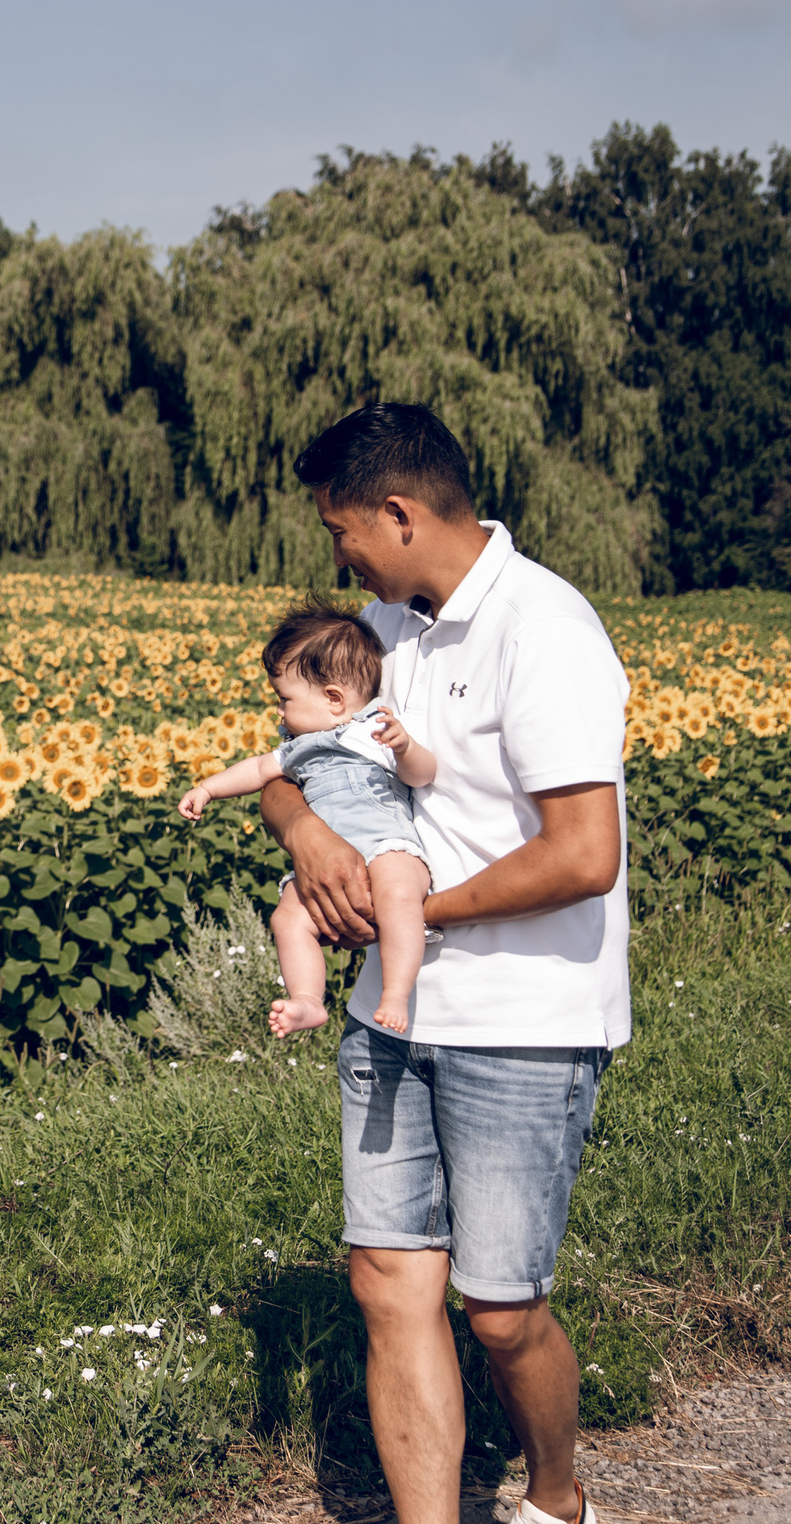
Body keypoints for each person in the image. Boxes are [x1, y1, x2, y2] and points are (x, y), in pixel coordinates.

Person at [262, 404, 630, 1524]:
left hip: (523, 1014)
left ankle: (556, 1496)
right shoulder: (383, 628)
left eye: (344, 531)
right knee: (388, 1282)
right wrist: (307, 835)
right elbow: (288, 760)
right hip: (390, 1015)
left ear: (399, 511)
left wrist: (412, 909)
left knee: (501, 1308)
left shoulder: (544, 626)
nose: (338, 556)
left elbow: (584, 854)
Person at [177, 605, 435, 1036]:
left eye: (285, 699)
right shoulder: (297, 748)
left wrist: (406, 749)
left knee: (400, 899)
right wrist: (207, 788)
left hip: (385, 843)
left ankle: (395, 991)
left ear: (334, 699)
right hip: (321, 862)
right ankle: (307, 1000)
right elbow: (258, 771)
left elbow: (422, 775)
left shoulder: (374, 728)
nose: (279, 711)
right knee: (287, 918)